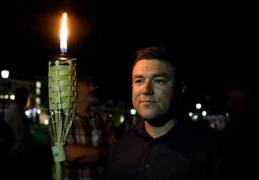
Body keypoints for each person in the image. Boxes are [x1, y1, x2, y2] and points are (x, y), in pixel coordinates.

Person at [102, 46, 227, 180]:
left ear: (180, 88)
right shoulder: (119, 149)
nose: (146, 90)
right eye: (139, 81)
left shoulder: (215, 149)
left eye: (158, 81)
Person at [62, 73, 116, 180]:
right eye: (87, 84)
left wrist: (84, 154)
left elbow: (115, 153)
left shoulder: (104, 118)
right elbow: (70, 154)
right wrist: (104, 152)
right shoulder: (60, 120)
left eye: (93, 84)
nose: (92, 87)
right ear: (73, 88)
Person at [5, 87, 31, 180]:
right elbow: (19, 138)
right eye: (24, 97)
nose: (25, 100)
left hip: (15, 155)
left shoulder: (15, 112)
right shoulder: (16, 113)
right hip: (16, 156)